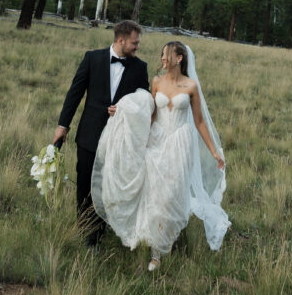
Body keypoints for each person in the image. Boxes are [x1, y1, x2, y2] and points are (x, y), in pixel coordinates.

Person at [91, 40, 230, 271]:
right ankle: (155, 248)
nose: (162, 59)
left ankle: (162, 244)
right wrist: (125, 113)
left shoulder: (191, 86)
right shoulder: (156, 82)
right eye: (162, 55)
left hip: (180, 141)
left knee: (171, 192)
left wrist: (215, 151)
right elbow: (151, 113)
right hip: (157, 138)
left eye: (166, 55)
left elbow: (199, 121)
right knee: (154, 189)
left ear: (179, 58)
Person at [52, 20, 149, 248]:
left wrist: (126, 108)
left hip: (120, 139)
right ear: (120, 40)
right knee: (85, 184)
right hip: (90, 135)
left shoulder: (140, 67)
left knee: (109, 187)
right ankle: (86, 232)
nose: (137, 47)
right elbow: (74, 93)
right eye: (134, 43)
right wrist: (62, 125)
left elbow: (145, 103)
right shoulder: (92, 58)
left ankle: (100, 231)